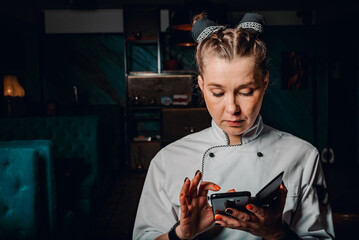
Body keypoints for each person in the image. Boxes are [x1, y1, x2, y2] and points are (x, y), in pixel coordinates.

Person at [133, 12, 334, 240]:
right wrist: (180, 234)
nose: (232, 108)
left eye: (246, 91)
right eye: (217, 92)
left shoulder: (304, 156)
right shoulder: (166, 160)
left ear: (265, 82)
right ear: (201, 85)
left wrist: (278, 233)